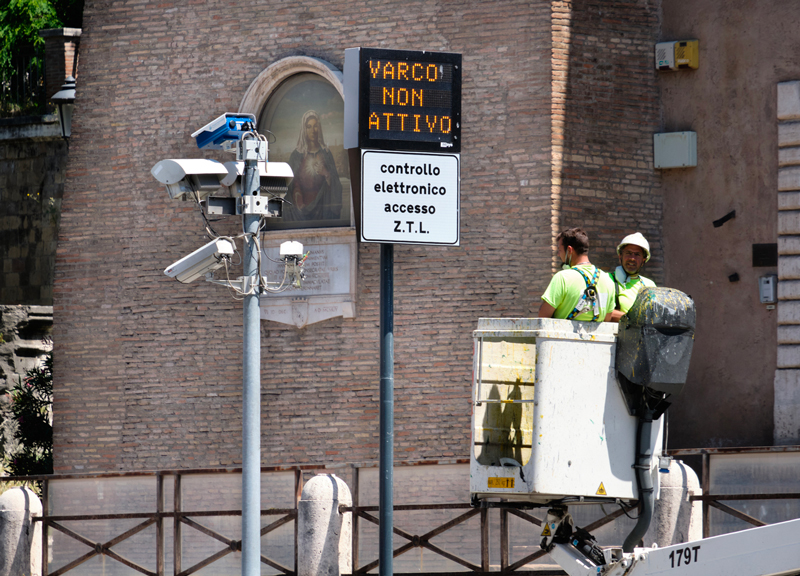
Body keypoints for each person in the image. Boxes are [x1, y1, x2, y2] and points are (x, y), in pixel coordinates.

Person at [538, 227, 615, 322]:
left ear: (569, 250)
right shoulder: (608, 280)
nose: (558, 254)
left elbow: (543, 318)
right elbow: (607, 319)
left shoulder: (562, 278)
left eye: (559, 250)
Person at [284, 110, 343, 222]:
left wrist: (326, 174)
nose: (313, 130)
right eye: (309, 126)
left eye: (315, 126)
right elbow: (290, 184)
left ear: (319, 128)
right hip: (300, 209)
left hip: (322, 209)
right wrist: (297, 197)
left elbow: (336, 185)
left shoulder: (326, 154)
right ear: (304, 130)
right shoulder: (296, 155)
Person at [607, 232, 656, 322]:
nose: (632, 258)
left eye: (637, 254)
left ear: (643, 260)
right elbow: (604, 312)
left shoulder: (650, 285)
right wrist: (634, 319)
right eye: (628, 253)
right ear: (620, 256)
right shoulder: (607, 280)